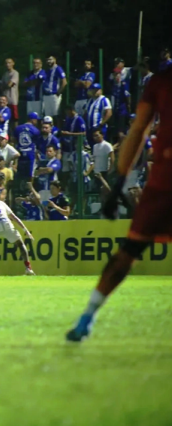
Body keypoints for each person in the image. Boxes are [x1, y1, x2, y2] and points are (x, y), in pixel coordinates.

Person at [66, 67, 172, 342]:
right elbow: (138, 129)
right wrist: (119, 179)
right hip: (163, 182)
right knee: (127, 251)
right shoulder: (161, 80)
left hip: (162, 181)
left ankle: (86, 318)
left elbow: (139, 129)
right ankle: (87, 317)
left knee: (126, 253)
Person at [1, 59, 20, 129]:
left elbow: (10, 84)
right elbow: (1, 86)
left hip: (13, 99)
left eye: (9, 63)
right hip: (5, 100)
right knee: (6, 118)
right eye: (6, 63)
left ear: (13, 63)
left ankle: (15, 134)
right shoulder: (5, 74)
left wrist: (5, 85)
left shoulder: (15, 73)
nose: (7, 64)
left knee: (14, 118)